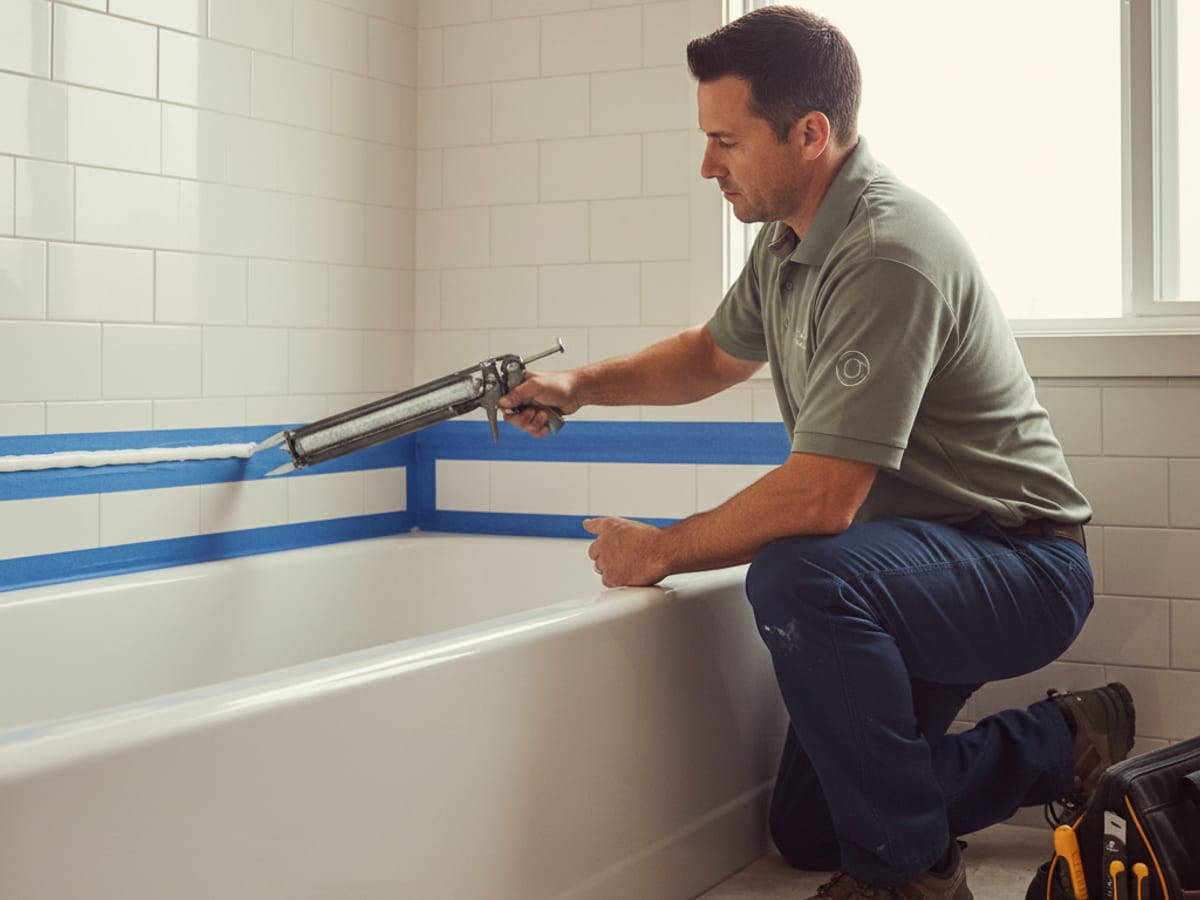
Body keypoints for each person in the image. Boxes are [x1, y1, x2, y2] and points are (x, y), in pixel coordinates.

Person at [499, 6, 1135, 899]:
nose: (707, 164)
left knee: (798, 574)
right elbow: (713, 353)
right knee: (809, 828)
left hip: (1017, 561)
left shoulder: (885, 252)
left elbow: (823, 499)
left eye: (726, 140)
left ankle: (910, 878)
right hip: (914, 567)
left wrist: (663, 547)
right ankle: (1060, 742)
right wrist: (580, 387)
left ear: (811, 133)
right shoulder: (790, 241)